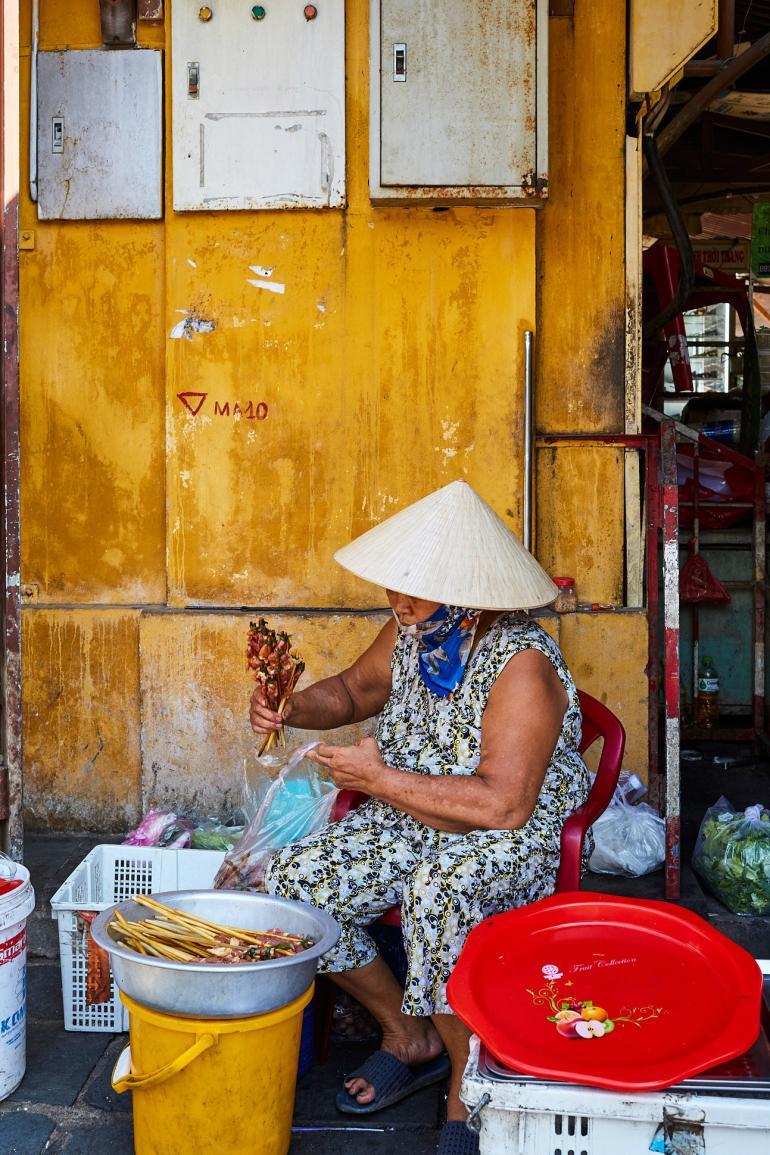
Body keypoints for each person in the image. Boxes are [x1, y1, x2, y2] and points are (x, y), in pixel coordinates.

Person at [251, 480, 590, 1155]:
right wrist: (292, 709)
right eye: (397, 586)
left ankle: (469, 1082)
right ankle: (409, 1033)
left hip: (500, 832)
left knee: (438, 890)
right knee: (291, 882)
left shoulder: (520, 664)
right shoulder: (413, 631)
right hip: (410, 811)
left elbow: (504, 802)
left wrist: (377, 778)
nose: (398, 602)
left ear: (468, 592)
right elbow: (353, 689)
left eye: (417, 589)